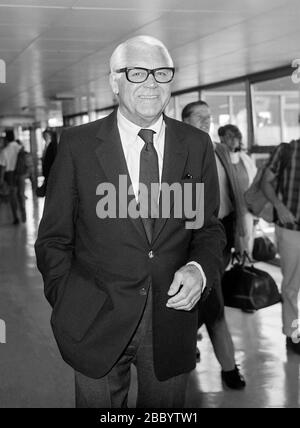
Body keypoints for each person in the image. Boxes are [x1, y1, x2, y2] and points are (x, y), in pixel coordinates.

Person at [35, 36, 225, 408]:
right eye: (137, 73)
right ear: (114, 82)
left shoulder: (196, 144)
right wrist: (67, 301)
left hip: (172, 317)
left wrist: (199, 268)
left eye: (162, 73)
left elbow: (207, 228)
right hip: (94, 318)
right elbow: (53, 239)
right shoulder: (77, 145)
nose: (152, 82)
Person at [182, 101, 246, 390]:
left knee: (206, 299)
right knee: (210, 302)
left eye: (209, 117)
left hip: (223, 234)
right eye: (200, 117)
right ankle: (228, 366)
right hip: (192, 242)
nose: (207, 121)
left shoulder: (220, 150)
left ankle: (189, 345)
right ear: (185, 121)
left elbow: (234, 194)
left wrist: (242, 234)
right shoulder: (179, 150)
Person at [262, 139, 300, 355]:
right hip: (291, 230)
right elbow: (266, 182)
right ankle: (292, 333)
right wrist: (279, 206)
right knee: (292, 287)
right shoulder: (287, 150)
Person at [219, 124, 257, 257]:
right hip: (225, 211)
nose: (233, 139)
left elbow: (254, 184)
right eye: (229, 136)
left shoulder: (245, 159)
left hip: (245, 208)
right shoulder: (219, 159)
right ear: (221, 138)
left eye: (236, 136)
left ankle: (243, 271)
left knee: (246, 244)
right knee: (225, 246)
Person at [1, 130, 23, 224]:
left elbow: (3, 167)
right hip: (20, 173)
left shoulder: (4, 151)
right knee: (21, 194)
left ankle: (16, 217)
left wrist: (1, 179)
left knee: (12, 196)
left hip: (10, 174)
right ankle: (23, 213)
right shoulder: (19, 147)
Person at [36, 129, 58, 196]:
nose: (44, 137)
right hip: (48, 172)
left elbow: (50, 160)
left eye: (46, 136)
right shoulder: (48, 145)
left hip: (50, 172)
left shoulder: (53, 146)